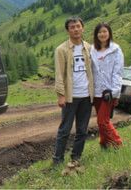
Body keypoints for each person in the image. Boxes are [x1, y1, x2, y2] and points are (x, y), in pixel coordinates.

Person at [53, 17, 95, 168]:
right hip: (70, 97)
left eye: (78, 26)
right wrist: (61, 95)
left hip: (86, 96)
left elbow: (93, 72)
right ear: (68, 30)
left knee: (82, 130)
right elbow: (59, 74)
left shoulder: (89, 48)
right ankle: (57, 160)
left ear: (83, 28)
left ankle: (76, 157)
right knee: (64, 130)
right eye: (72, 27)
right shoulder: (61, 50)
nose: (76, 29)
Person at [91, 22, 124, 149]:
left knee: (102, 121)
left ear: (109, 33)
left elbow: (118, 72)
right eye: (99, 32)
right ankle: (104, 143)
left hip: (108, 92)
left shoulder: (116, 50)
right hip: (96, 91)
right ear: (96, 35)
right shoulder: (92, 50)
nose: (102, 34)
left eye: (105, 31)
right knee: (101, 122)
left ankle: (117, 143)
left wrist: (114, 91)